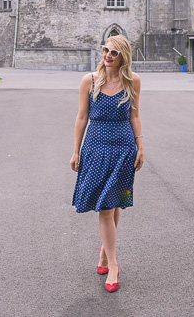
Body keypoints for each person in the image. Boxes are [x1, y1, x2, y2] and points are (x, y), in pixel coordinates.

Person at [71, 34, 144, 293]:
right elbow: (81, 117)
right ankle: (110, 255)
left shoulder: (132, 80)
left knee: (112, 202)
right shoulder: (89, 80)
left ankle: (109, 259)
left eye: (113, 52)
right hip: (95, 147)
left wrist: (141, 146)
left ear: (123, 56)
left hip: (123, 148)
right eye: (105, 50)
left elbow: (134, 114)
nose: (107, 56)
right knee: (105, 206)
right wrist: (76, 151)